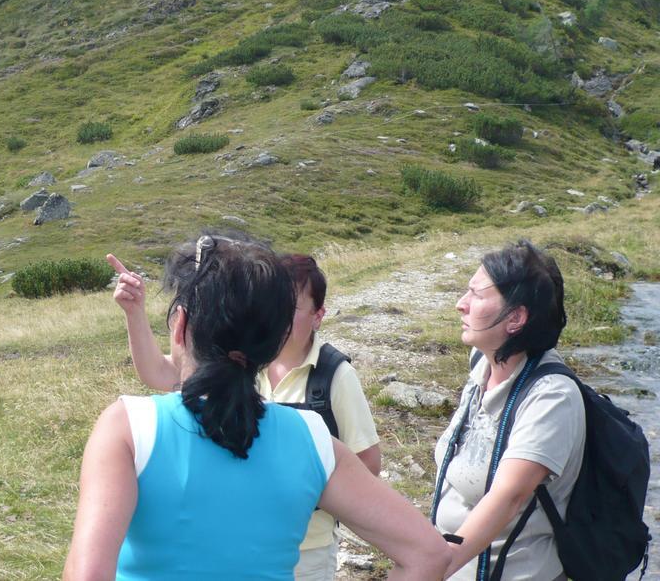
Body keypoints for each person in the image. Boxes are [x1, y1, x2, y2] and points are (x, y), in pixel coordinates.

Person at [64, 234, 450, 580]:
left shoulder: (128, 428)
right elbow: (428, 554)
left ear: (180, 326)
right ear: (273, 342)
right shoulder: (313, 438)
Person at [432, 240, 585, 580]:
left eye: (476, 294)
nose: (461, 304)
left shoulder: (552, 396)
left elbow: (510, 496)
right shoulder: (482, 366)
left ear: (515, 318)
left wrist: (433, 566)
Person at [258, 254, 381, 580]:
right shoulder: (247, 365)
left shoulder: (335, 375)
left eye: (292, 308)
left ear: (318, 315)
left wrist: (313, 494)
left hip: (307, 549)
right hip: (248, 539)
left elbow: (368, 463)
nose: (278, 316)